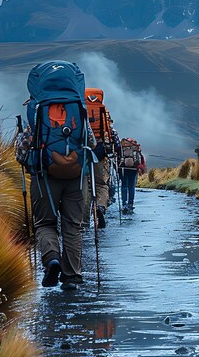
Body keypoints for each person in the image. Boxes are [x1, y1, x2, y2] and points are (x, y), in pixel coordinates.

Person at [17, 61, 105, 291]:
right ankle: (72, 276)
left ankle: (52, 259)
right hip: (76, 177)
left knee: (45, 223)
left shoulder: (38, 112)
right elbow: (91, 144)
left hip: (44, 176)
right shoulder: (78, 112)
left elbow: (21, 153)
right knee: (73, 226)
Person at [85, 88, 116, 228]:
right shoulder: (103, 111)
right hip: (101, 150)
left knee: (86, 184)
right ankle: (100, 207)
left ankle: (84, 219)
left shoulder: (80, 109)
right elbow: (111, 133)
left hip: (84, 150)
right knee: (101, 184)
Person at [119, 137, 145, 214]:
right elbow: (141, 159)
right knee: (131, 186)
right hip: (133, 168)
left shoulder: (121, 147)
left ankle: (124, 204)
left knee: (124, 185)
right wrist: (140, 168)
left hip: (122, 168)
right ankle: (130, 204)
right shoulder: (135, 148)